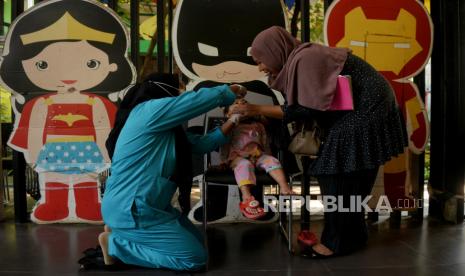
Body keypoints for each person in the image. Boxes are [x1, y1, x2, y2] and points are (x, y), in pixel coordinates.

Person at [230, 26, 407, 258]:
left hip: (367, 108)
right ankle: (354, 236)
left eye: (260, 60)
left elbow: (303, 109)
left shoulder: (305, 59)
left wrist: (252, 109)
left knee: (333, 173)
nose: (261, 67)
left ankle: (335, 243)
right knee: (353, 174)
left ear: (275, 51)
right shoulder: (300, 58)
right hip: (368, 107)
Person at [0, 0, 135, 223]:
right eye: (43, 64)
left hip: (88, 148)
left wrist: (105, 151)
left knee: (86, 177)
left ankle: (88, 205)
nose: (67, 74)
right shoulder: (41, 104)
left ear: (112, 65)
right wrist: (34, 153)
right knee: (53, 177)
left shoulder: (97, 103)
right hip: (52, 149)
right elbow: (33, 130)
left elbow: (105, 131)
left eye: (91, 63)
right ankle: (55, 204)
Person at [99, 73, 246, 271]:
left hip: (148, 206)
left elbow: (202, 144)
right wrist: (230, 90)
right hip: (133, 208)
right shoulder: (148, 111)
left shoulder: (165, 127)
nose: (183, 90)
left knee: (197, 241)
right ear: (163, 89)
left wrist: (234, 119)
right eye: (180, 86)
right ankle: (116, 244)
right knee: (194, 259)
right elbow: (193, 101)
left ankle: (124, 233)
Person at [220, 99, 293, 220]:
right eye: (236, 104)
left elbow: (265, 143)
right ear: (228, 114)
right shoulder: (231, 126)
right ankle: (247, 197)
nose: (241, 105)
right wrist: (223, 161)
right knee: (244, 165)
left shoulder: (259, 126)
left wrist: (267, 157)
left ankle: (284, 186)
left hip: (258, 155)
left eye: (244, 103)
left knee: (272, 161)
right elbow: (224, 145)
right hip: (238, 157)